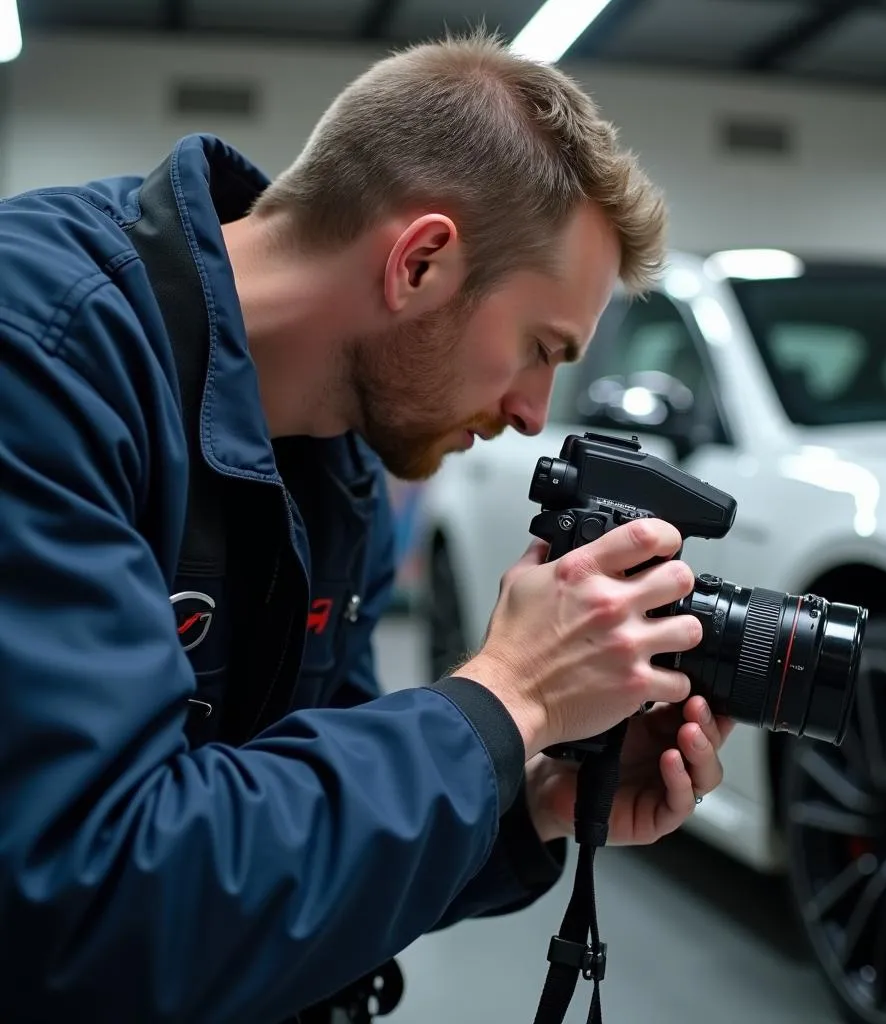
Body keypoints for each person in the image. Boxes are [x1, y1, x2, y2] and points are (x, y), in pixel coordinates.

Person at [0, 28, 734, 1024]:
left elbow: (285, 846)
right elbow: (85, 908)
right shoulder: (40, 355)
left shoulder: (337, 458)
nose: (531, 410)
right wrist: (505, 696)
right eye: (536, 346)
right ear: (421, 262)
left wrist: (527, 800)